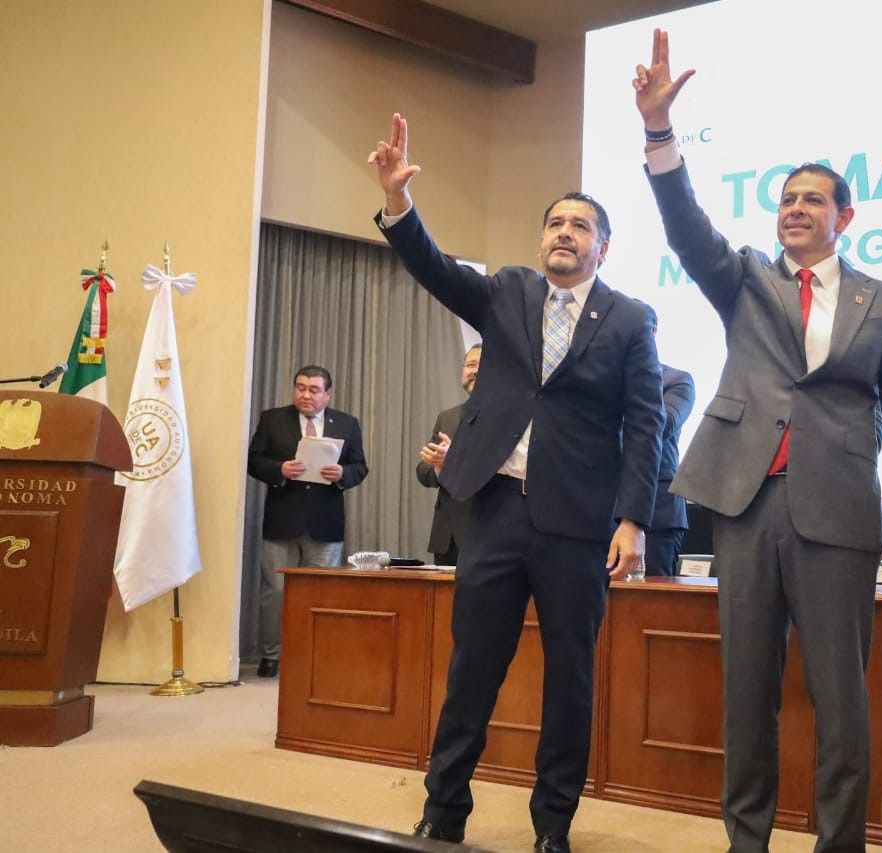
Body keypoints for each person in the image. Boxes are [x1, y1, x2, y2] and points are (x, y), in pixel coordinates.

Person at [633, 31, 882, 853]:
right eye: (786, 199)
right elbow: (685, 226)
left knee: (839, 699)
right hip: (742, 501)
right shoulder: (745, 279)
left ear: (845, 217)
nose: (795, 210)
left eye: (813, 200)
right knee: (746, 694)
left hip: (837, 510)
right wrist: (660, 133)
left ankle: (837, 844)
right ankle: (748, 842)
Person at [369, 113, 663, 853]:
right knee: (472, 669)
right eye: (555, 223)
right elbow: (435, 269)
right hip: (495, 509)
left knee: (570, 680)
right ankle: (444, 808)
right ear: (543, 239)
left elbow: (646, 427)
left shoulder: (630, 319)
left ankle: (552, 825)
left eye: (580, 224)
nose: (565, 232)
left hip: (577, 524)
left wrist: (634, 519)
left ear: (603, 245)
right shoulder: (507, 292)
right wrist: (400, 203)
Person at [247, 365, 369, 678]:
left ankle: (316, 653)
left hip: (325, 523)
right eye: (300, 388)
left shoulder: (346, 423)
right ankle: (271, 655)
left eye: (314, 390)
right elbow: (254, 460)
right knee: (275, 592)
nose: (306, 395)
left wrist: (343, 474)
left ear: (328, 394)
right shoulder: (273, 419)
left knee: (322, 593)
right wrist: (279, 470)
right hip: (282, 520)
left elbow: (360, 466)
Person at [640, 303, 695, 575]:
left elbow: (663, 425)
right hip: (598, 509)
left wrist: (635, 374)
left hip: (658, 513)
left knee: (651, 609)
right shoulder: (601, 379)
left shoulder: (677, 380)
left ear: (654, 331)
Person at [417, 343, 482, 565]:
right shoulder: (447, 417)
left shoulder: (509, 417)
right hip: (448, 536)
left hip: (488, 532)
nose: (474, 370)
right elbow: (423, 471)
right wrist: (438, 467)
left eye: (483, 365)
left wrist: (452, 461)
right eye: (470, 365)